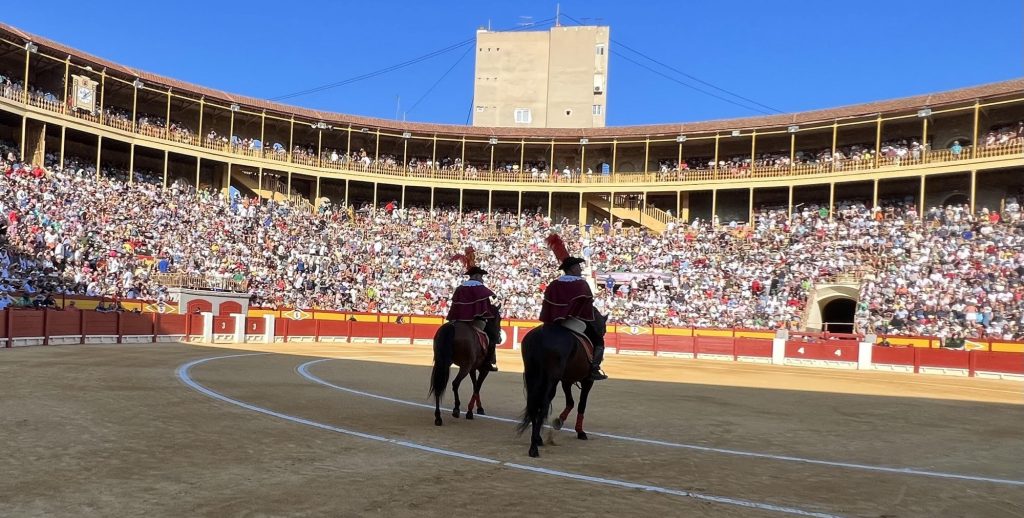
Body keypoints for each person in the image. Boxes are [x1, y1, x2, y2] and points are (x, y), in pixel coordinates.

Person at [539, 234, 607, 380]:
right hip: (575, 321)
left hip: (554, 322)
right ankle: (594, 368)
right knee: (598, 340)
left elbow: (547, 304)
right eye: (577, 267)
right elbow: (587, 306)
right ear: (571, 269)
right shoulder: (581, 284)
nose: (580, 269)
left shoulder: (554, 284)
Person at [446, 247, 500, 371]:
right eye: (481, 276)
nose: (482, 278)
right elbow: (486, 307)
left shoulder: (460, 288)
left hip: (458, 320)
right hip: (476, 322)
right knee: (491, 336)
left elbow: (455, 305)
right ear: (476, 276)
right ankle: (489, 361)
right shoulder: (481, 288)